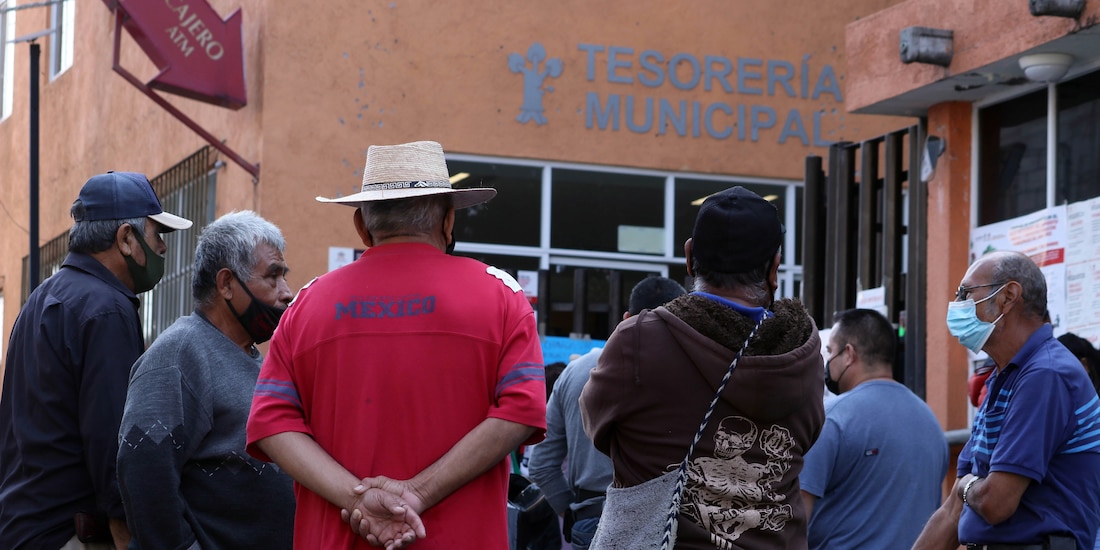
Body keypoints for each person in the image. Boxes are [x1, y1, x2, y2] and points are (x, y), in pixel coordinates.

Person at [246, 140, 547, 549]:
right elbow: (523, 410)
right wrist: (417, 494)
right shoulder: (501, 298)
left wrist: (361, 499)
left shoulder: (308, 305)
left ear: (361, 225)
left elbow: (271, 424)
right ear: (448, 221)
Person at [579, 186, 825, 548]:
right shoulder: (804, 354)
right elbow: (807, 438)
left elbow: (597, 427)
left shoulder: (641, 340)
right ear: (774, 267)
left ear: (690, 257)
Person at [0, 172, 192, 549]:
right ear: (125, 239)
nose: (163, 249)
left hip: (23, 527)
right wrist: (127, 533)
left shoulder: (41, 298)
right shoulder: (106, 308)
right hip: (72, 533)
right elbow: (116, 444)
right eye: (157, 235)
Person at [116, 211, 296, 549]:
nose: (287, 293)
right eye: (273, 277)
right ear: (226, 284)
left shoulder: (255, 358)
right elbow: (143, 472)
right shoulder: (180, 354)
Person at [914, 250, 1100, 550]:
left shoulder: (1047, 375)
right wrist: (967, 488)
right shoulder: (1005, 378)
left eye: (966, 293)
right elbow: (953, 509)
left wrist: (965, 486)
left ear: (1008, 296)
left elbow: (995, 503)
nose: (958, 305)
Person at [529, 275, 686, 549]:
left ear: (626, 318)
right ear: (683, 324)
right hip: (663, 526)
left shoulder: (576, 373)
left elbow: (541, 464)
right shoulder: (692, 378)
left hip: (589, 520)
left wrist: (572, 511)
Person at [799, 308, 948, 549]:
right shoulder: (931, 423)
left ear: (848, 354)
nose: (827, 363)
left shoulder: (832, 417)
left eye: (829, 352)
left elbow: (795, 519)